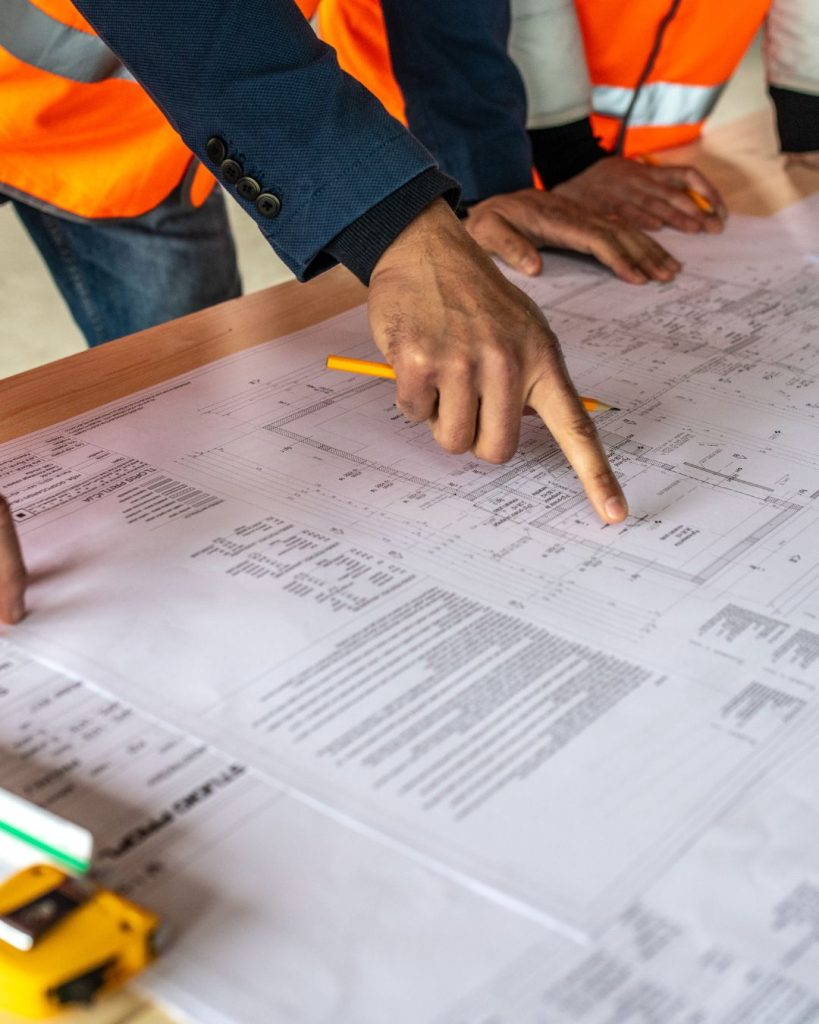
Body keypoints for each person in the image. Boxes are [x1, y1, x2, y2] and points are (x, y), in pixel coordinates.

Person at [0, 0, 630, 626]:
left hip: (160, 133)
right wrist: (399, 226)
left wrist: (486, 180)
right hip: (28, 92)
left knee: (189, 409)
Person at [311, 0, 728, 278]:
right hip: (400, 139)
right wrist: (467, 195)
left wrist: (563, 158)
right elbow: (259, 68)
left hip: (561, 160)